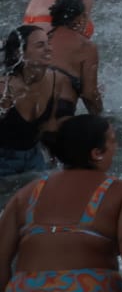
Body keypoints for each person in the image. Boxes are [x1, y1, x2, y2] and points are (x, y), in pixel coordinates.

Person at [0, 113, 122, 292]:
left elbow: (1, 259)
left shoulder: (26, 194)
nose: (116, 146)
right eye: (112, 140)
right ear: (96, 153)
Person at [0, 24, 83, 179]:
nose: (48, 49)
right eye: (40, 45)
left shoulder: (55, 80)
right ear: (20, 53)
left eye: (48, 43)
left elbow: (49, 125)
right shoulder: (4, 90)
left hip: (34, 159)